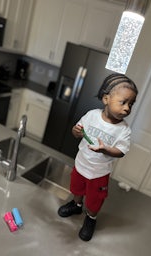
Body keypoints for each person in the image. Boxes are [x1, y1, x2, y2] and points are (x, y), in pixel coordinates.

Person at [58, 73, 138, 241]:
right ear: (106, 99)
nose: (127, 108)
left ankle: (90, 218)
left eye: (131, 104)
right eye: (123, 102)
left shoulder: (123, 130)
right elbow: (76, 130)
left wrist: (105, 150)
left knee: (95, 200)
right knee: (77, 189)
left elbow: (121, 151)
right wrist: (76, 131)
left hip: (99, 174)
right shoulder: (91, 115)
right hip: (81, 165)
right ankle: (76, 205)